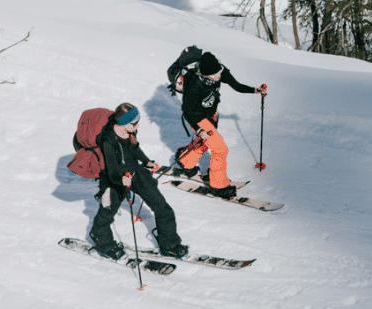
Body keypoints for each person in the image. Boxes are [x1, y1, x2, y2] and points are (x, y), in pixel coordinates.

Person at [89, 103, 188, 259]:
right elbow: (111, 170)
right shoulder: (108, 140)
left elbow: (134, 148)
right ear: (123, 123)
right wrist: (121, 179)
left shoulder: (129, 132)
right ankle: (101, 239)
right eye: (134, 123)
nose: (137, 125)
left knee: (162, 207)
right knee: (107, 212)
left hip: (135, 172)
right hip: (113, 179)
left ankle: (169, 244)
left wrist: (146, 161)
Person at [173, 51, 266, 199]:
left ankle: (186, 162)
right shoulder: (194, 84)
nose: (218, 78)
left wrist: (255, 90)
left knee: (205, 142)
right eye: (213, 76)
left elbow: (235, 85)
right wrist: (198, 129)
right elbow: (187, 111)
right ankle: (218, 185)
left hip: (211, 115)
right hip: (197, 117)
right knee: (220, 149)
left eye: (218, 74)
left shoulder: (219, 70)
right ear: (204, 75)